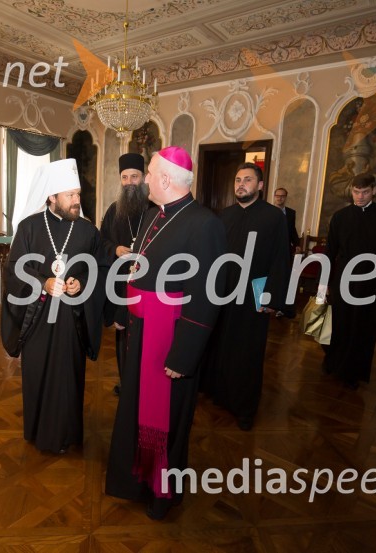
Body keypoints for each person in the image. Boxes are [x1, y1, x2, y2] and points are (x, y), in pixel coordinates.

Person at [105, 146, 226, 520]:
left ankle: (162, 495)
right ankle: (137, 480)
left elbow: (208, 295)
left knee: (169, 419)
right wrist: (126, 310)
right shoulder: (150, 216)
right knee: (137, 410)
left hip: (172, 340)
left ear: (167, 180)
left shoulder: (205, 224)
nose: (145, 182)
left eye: (151, 174)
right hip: (142, 333)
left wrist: (183, 355)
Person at [0, 158, 107, 454]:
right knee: (39, 373)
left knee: (69, 376)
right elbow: (14, 270)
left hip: (72, 320)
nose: (77, 201)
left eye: (78, 194)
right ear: (52, 197)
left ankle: (68, 434)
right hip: (38, 319)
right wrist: (43, 283)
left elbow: (100, 268)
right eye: (70, 195)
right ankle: (38, 430)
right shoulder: (30, 228)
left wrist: (81, 283)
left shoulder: (88, 231)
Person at [201, 163, 291, 430]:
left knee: (247, 351)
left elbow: (280, 259)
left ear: (260, 186)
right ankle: (218, 393)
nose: (241, 184)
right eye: (238, 179)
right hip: (222, 292)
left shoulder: (274, 217)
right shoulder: (222, 216)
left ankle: (244, 408)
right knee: (218, 344)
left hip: (254, 293)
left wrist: (271, 298)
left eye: (248, 180)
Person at [324, 172, 376, 390]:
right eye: (356, 192)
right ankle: (334, 364)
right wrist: (324, 284)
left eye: (365, 192)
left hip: (371, 279)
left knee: (364, 327)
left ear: (374, 191)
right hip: (344, 279)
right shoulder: (339, 217)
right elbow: (330, 252)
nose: (359, 196)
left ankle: (354, 372)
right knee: (340, 323)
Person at [100, 153, 150, 395]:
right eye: (125, 177)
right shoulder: (113, 210)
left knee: (146, 337)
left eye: (134, 176)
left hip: (150, 285)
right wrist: (115, 249)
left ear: (143, 178)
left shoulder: (154, 209)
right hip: (121, 285)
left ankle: (144, 383)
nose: (129, 181)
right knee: (123, 336)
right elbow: (101, 242)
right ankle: (126, 382)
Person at [273, 187, 301, 254]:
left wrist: (297, 244)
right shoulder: (267, 211)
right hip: (271, 246)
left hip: (285, 247)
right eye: (277, 196)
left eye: (282, 196)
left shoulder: (291, 213)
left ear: (286, 198)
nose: (279, 198)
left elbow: (292, 230)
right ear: (274, 197)